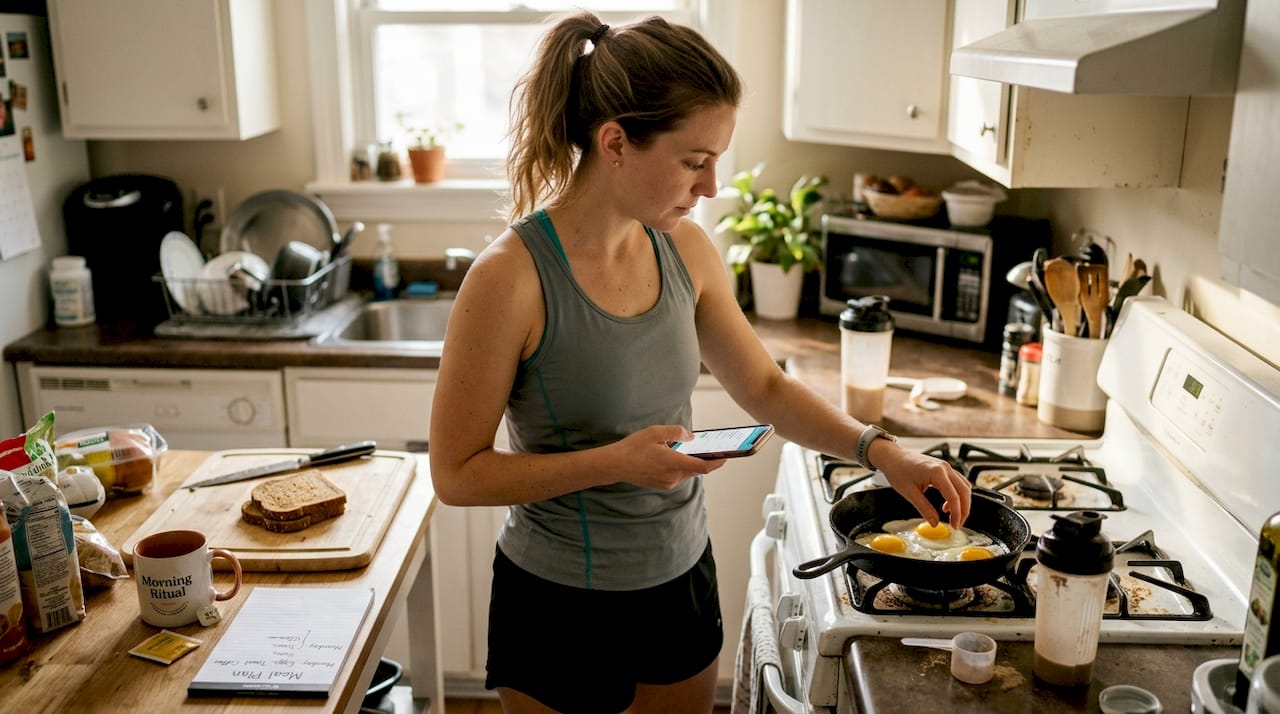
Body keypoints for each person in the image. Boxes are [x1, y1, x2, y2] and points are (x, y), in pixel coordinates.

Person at [428, 11, 972, 714]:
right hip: (557, 601)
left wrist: (885, 453)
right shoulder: (511, 277)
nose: (712, 186)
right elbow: (456, 473)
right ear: (615, 142)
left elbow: (766, 386)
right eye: (695, 160)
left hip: (679, 578)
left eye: (716, 160)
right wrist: (616, 462)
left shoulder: (685, 250)